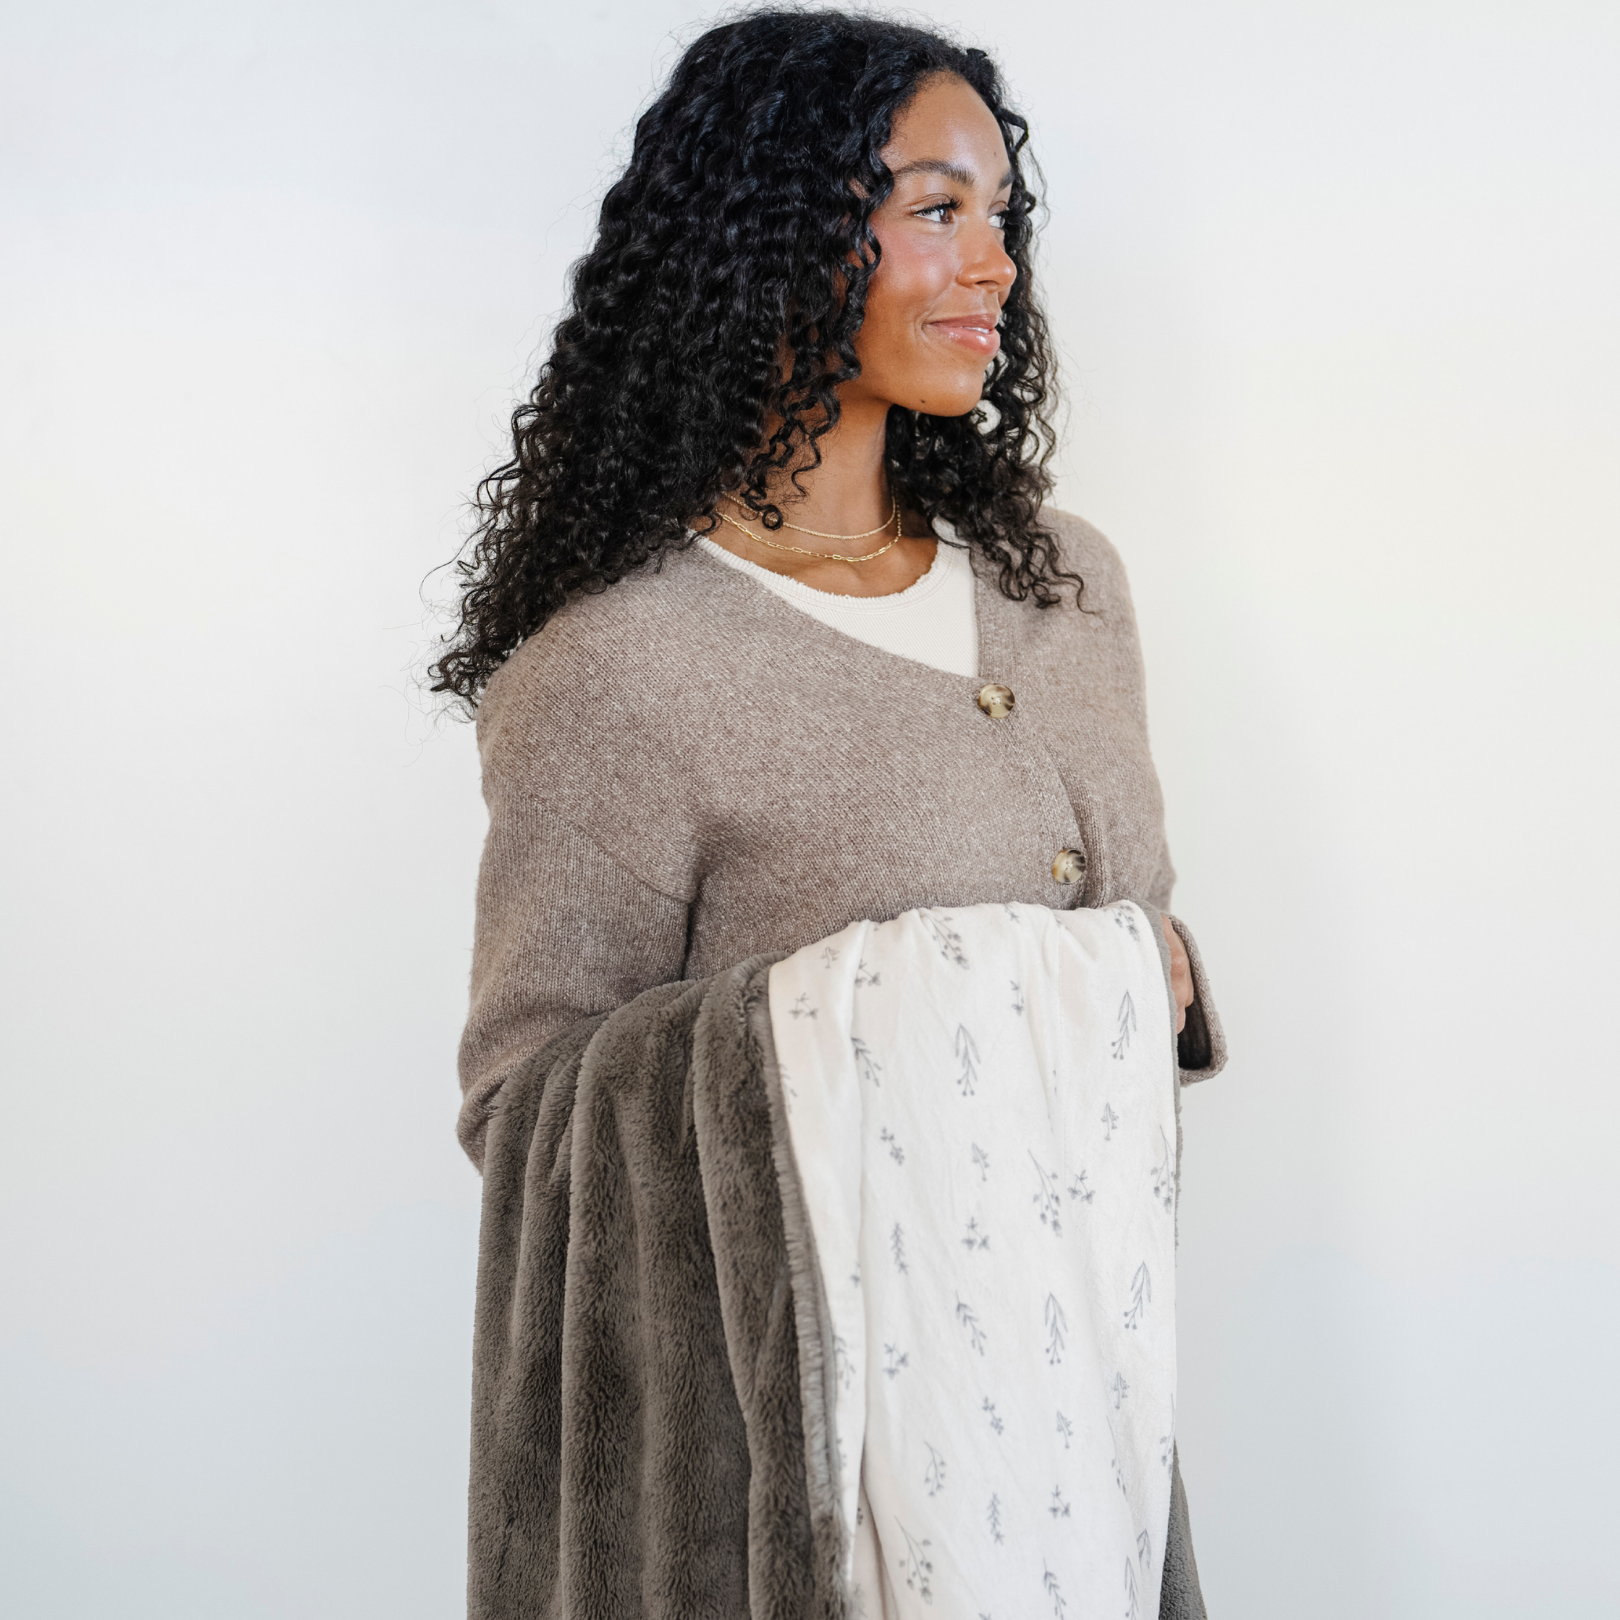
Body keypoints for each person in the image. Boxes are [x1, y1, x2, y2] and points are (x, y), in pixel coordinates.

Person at [437, 13, 1220, 1603]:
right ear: (776, 235)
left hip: (1064, 1436)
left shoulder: (1062, 590)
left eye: (1002, 214)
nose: (995, 264)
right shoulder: (621, 667)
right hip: (794, 1485)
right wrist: (879, 1003)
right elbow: (528, 1112)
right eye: (936, 209)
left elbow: (1126, 974)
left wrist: (1142, 980)